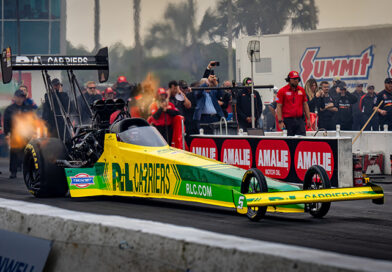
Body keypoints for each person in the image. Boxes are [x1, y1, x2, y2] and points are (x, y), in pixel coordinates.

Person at [3, 90, 35, 178]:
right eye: (19, 97)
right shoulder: (10, 109)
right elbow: (6, 122)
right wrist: (7, 133)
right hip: (15, 134)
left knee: (27, 153)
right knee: (14, 154)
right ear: (15, 97)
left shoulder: (28, 108)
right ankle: (13, 171)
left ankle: (28, 171)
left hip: (26, 134)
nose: (20, 99)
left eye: (22, 97)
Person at [276, 71, 310, 136]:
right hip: (288, 121)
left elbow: (305, 104)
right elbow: (279, 106)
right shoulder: (282, 91)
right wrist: (280, 121)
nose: (296, 80)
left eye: (297, 79)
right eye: (294, 79)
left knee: (302, 141)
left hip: (300, 120)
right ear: (289, 80)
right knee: (290, 142)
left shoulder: (302, 90)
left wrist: (308, 119)